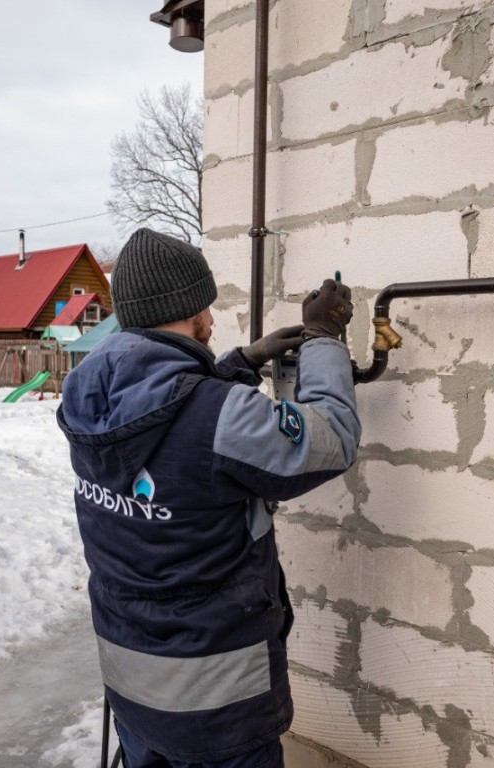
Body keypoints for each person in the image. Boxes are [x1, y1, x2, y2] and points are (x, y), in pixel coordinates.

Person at [57, 228, 361, 767]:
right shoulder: (220, 417)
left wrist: (237, 363)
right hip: (219, 709)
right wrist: (324, 341)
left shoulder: (88, 401)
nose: (213, 319)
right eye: (206, 306)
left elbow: (171, 421)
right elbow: (331, 439)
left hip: (131, 687)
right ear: (186, 309)